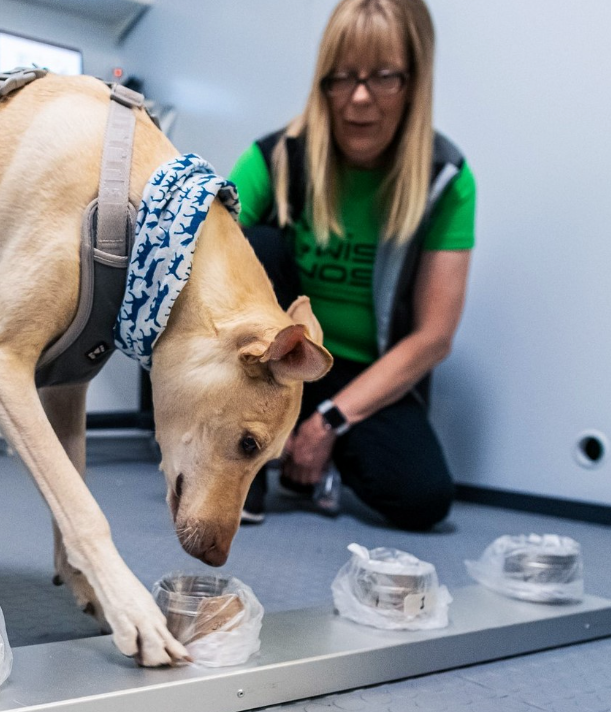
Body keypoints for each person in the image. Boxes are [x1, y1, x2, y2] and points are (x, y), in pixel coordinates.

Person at [230, 0, 475, 530]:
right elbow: (205, 254)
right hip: (278, 357)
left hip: (364, 376)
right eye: (342, 78)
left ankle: (317, 453)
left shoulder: (446, 179)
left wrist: (327, 424)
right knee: (251, 244)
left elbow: (434, 336)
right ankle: (245, 461)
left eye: (384, 77)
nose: (359, 99)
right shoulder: (275, 156)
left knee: (423, 499)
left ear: (415, 82)